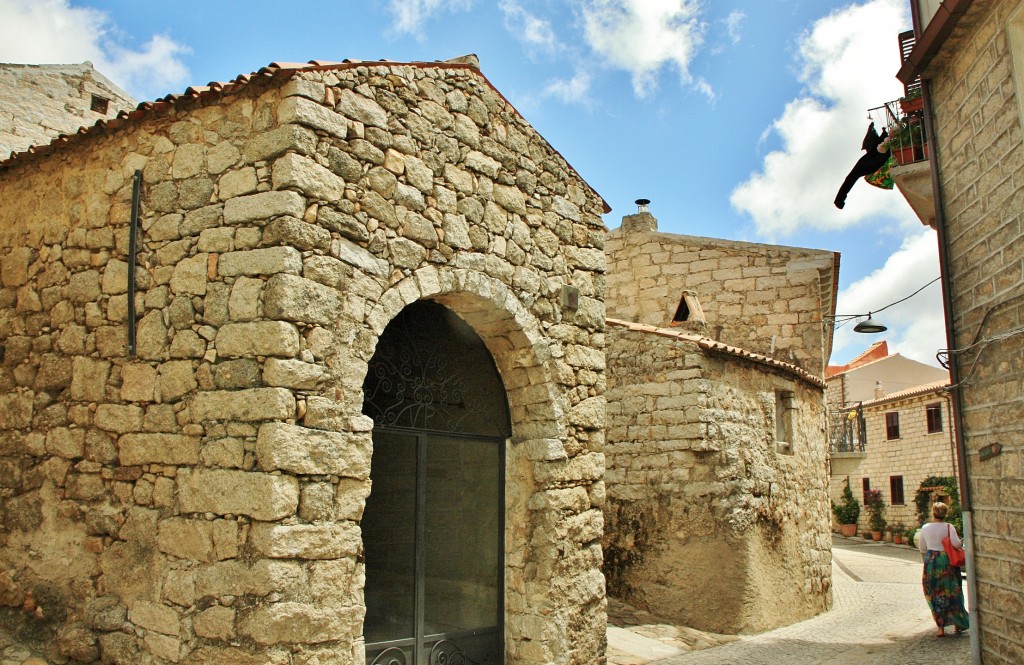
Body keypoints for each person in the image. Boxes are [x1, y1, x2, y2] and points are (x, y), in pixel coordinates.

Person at [918, 501, 969, 636]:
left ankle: (940, 627)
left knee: (934, 592)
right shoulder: (948, 527)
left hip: (931, 563)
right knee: (953, 591)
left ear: (933, 512)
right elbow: (957, 544)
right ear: (945, 513)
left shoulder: (925, 527)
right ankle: (958, 623)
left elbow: (922, 548)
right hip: (947, 562)